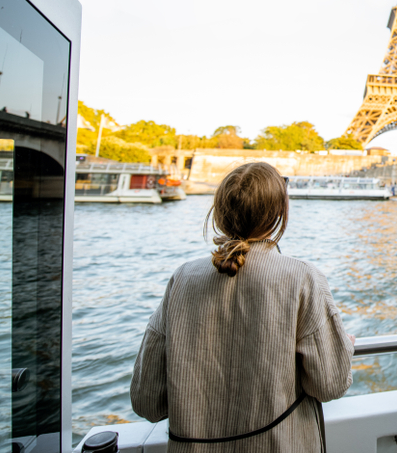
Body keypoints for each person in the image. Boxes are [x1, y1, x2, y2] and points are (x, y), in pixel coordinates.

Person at [130, 162, 354, 452]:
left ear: (220, 211)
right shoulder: (302, 278)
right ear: (279, 213)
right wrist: (343, 348)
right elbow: (331, 385)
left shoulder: (182, 278)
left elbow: (147, 402)